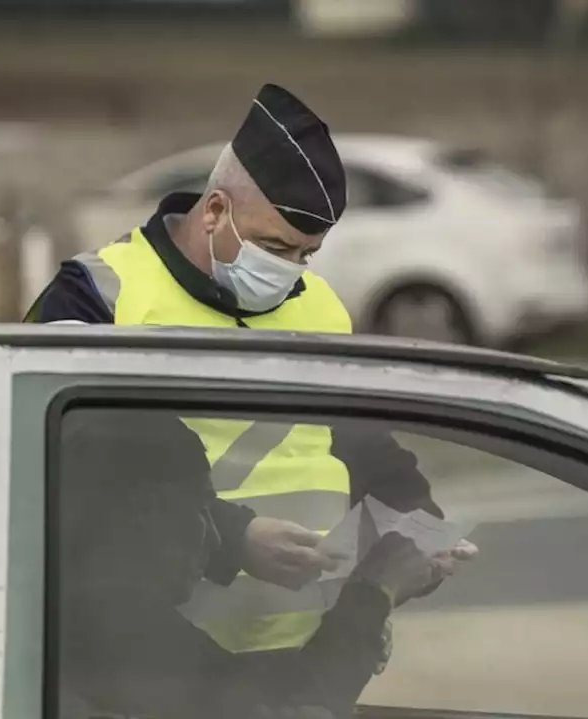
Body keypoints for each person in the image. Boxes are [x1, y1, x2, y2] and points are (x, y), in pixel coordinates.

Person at [27, 83, 477, 655]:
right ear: (215, 209)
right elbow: (66, 469)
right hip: (146, 666)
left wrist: (418, 522)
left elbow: (360, 444)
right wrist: (231, 537)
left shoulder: (317, 308)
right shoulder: (99, 296)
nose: (288, 271)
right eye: (274, 247)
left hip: (300, 662)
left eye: (305, 255)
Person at [57, 409, 439, 719]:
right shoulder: (117, 650)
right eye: (198, 509)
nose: (218, 538)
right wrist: (372, 595)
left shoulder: (105, 625)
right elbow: (294, 707)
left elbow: (250, 690)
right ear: (141, 518)